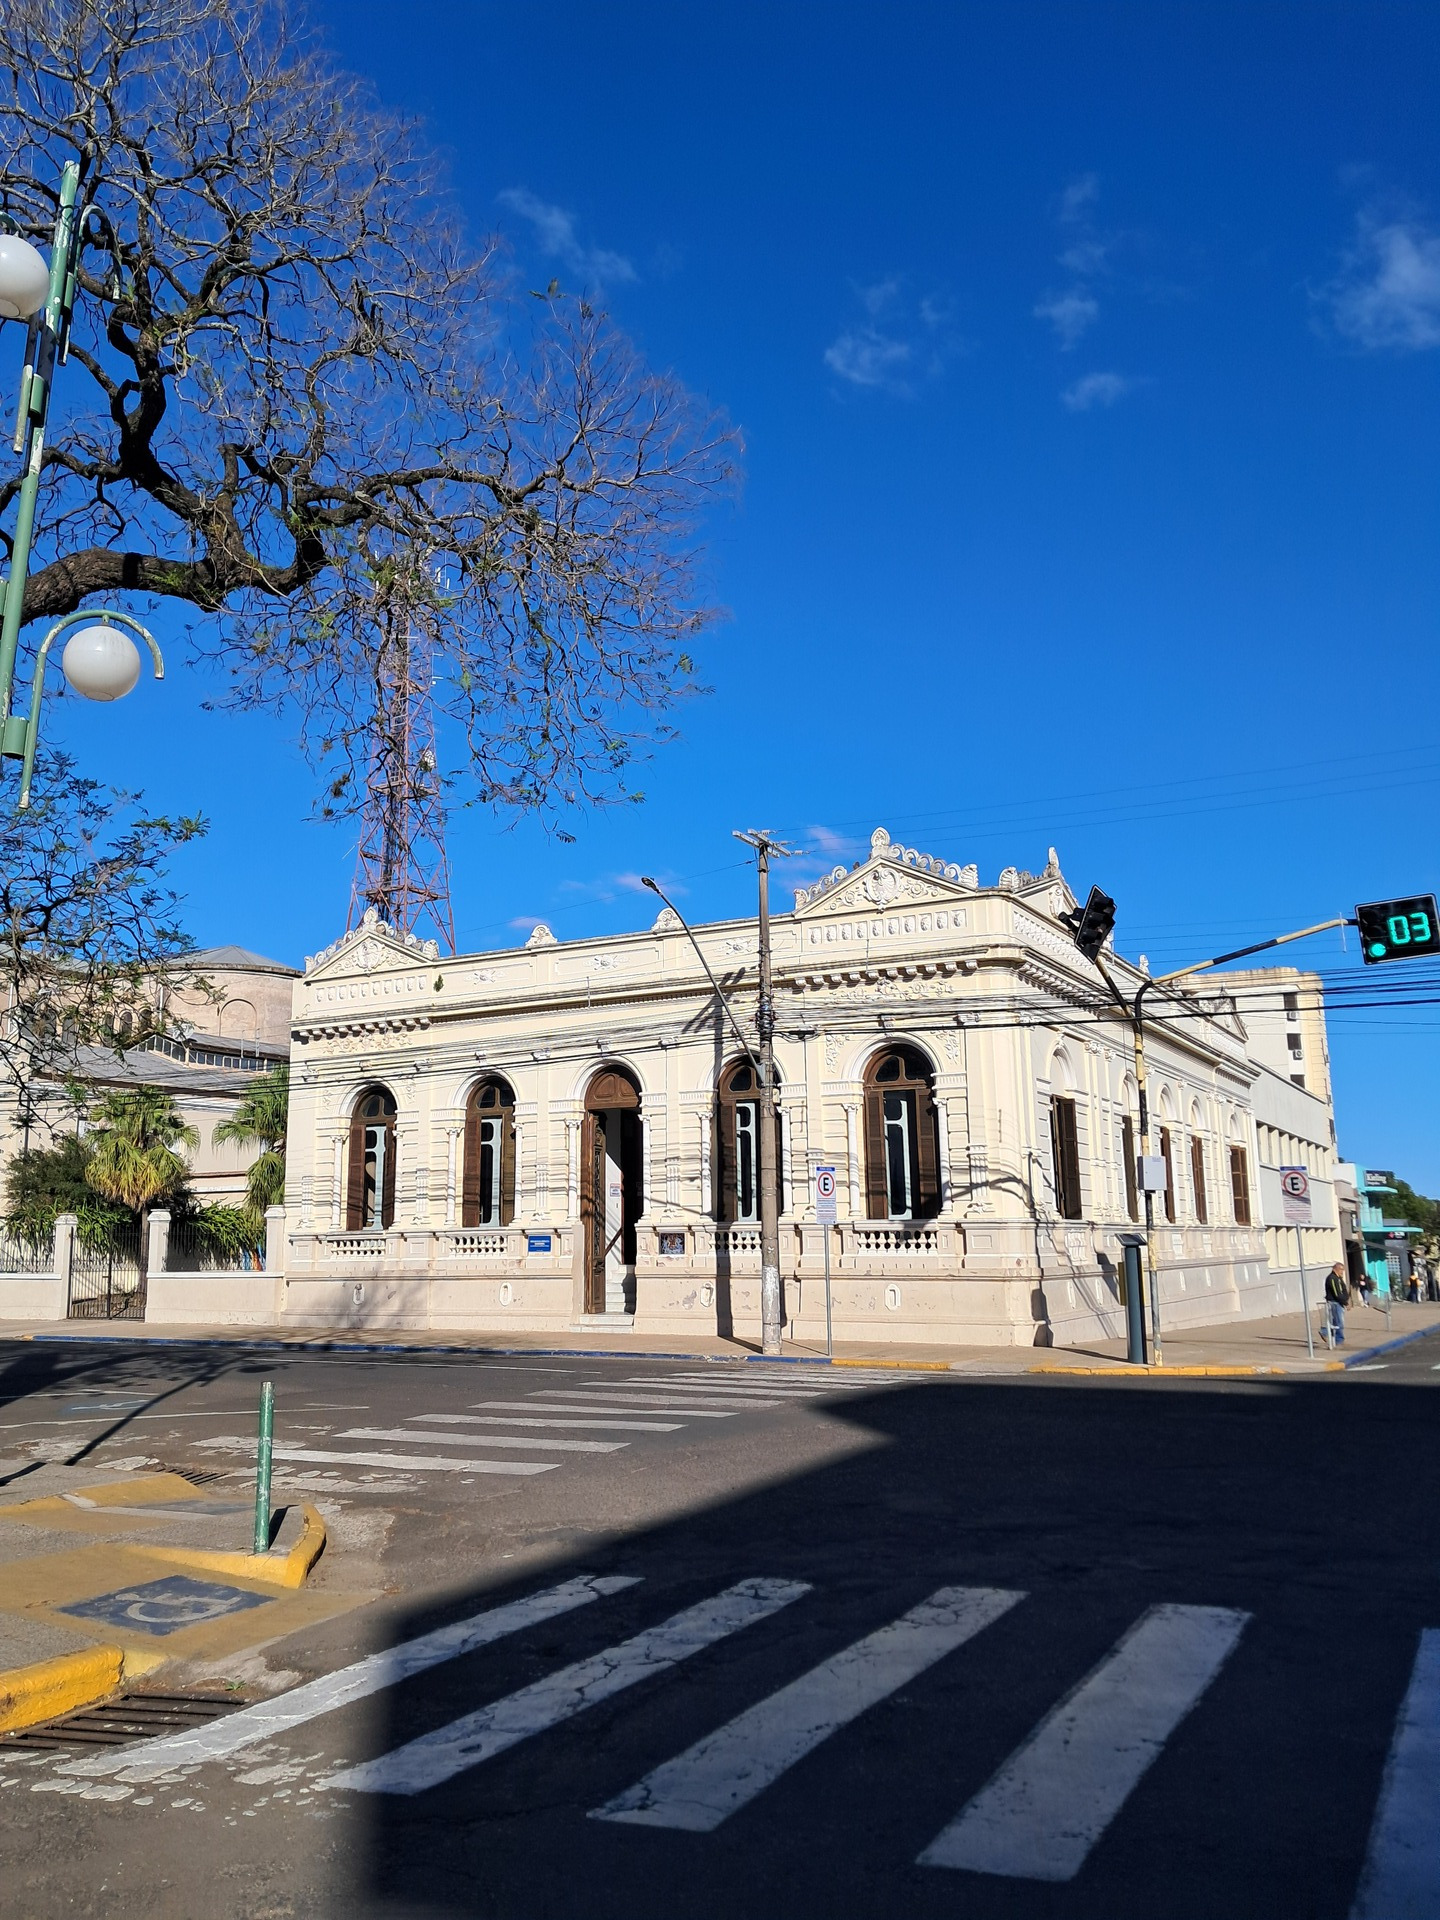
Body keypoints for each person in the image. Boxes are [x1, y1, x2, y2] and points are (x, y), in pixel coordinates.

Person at [1325, 1262, 1350, 1347]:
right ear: (1334, 1269)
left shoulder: (1338, 1278)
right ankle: (1338, 1340)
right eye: (1340, 1269)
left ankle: (1325, 1332)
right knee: (1338, 1322)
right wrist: (1345, 1303)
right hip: (1335, 1303)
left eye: (1343, 1270)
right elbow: (1337, 1293)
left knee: (1335, 1322)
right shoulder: (1332, 1278)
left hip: (1338, 1302)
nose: (1342, 1271)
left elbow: (1342, 1289)